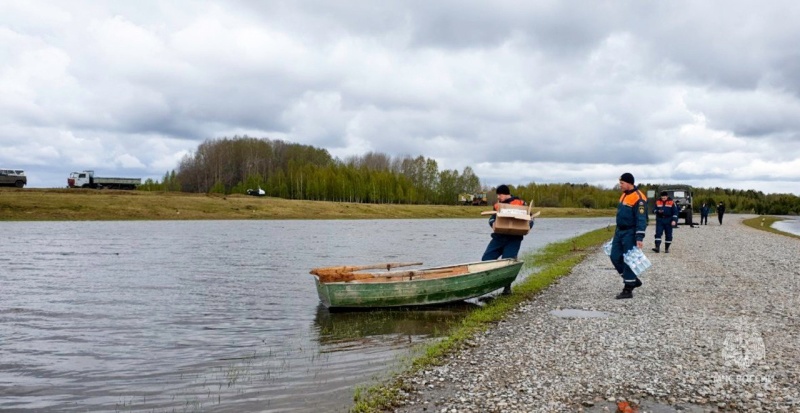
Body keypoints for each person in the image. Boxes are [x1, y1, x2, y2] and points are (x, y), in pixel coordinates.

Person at [481, 184, 533, 294]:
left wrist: (529, 226)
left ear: (506, 194)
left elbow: (530, 218)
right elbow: (492, 218)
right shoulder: (497, 206)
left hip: (514, 239)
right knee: (486, 260)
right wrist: (492, 224)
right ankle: (486, 286)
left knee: (508, 263)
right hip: (498, 238)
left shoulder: (521, 204)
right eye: (498, 195)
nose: (498, 197)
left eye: (499, 195)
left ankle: (507, 289)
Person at [609, 173, 647, 299]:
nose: (620, 185)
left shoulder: (639, 198)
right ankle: (632, 279)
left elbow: (641, 219)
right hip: (619, 231)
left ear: (629, 183)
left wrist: (639, 237)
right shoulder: (624, 194)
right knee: (614, 256)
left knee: (628, 259)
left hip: (630, 232)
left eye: (622, 183)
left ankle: (628, 289)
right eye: (620, 183)